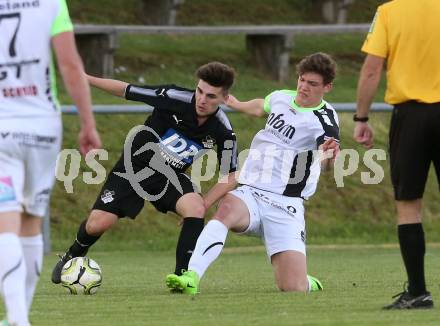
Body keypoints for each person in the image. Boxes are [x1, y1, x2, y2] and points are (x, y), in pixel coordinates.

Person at [51, 62, 239, 287]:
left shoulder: (223, 131)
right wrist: (85, 78)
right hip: (133, 169)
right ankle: (72, 255)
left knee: (195, 207)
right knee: (97, 224)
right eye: (199, 91)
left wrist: (206, 203)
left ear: (225, 99)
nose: (201, 99)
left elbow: (231, 175)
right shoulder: (173, 97)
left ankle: (182, 277)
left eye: (211, 96)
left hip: (169, 177)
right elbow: (125, 89)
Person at [166, 52, 340, 294]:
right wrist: (237, 104)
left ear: (327, 87)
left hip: (285, 204)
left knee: (292, 287)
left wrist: (329, 156)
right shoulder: (282, 97)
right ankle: (191, 276)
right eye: (302, 80)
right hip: (252, 192)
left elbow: (327, 149)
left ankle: (304, 280)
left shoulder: (324, 119)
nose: (303, 87)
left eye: (312, 84)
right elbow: (261, 106)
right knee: (225, 209)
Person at [0, 0, 102, 325]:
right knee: (31, 220)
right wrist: (88, 124)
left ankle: (17, 317)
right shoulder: (52, 3)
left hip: (3, 124)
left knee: (5, 223)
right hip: (42, 126)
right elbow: (70, 65)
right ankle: (19, 318)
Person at [353, 0, 440, 310]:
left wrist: (361, 118)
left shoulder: (390, 12)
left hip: (411, 117)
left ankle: (418, 292)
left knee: (408, 205)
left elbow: (372, 69)